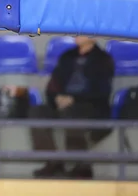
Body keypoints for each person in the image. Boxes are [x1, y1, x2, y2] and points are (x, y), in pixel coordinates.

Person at [29, 36, 114, 179]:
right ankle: (53, 162)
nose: (77, 34)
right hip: (62, 102)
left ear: (92, 37)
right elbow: (53, 85)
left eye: (82, 32)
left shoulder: (103, 59)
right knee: (37, 112)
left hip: (90, 105)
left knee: (72, 114)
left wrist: (74, 99)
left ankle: (81, 165)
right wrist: (57, 97)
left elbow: (102, 91)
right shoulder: (67, 56)